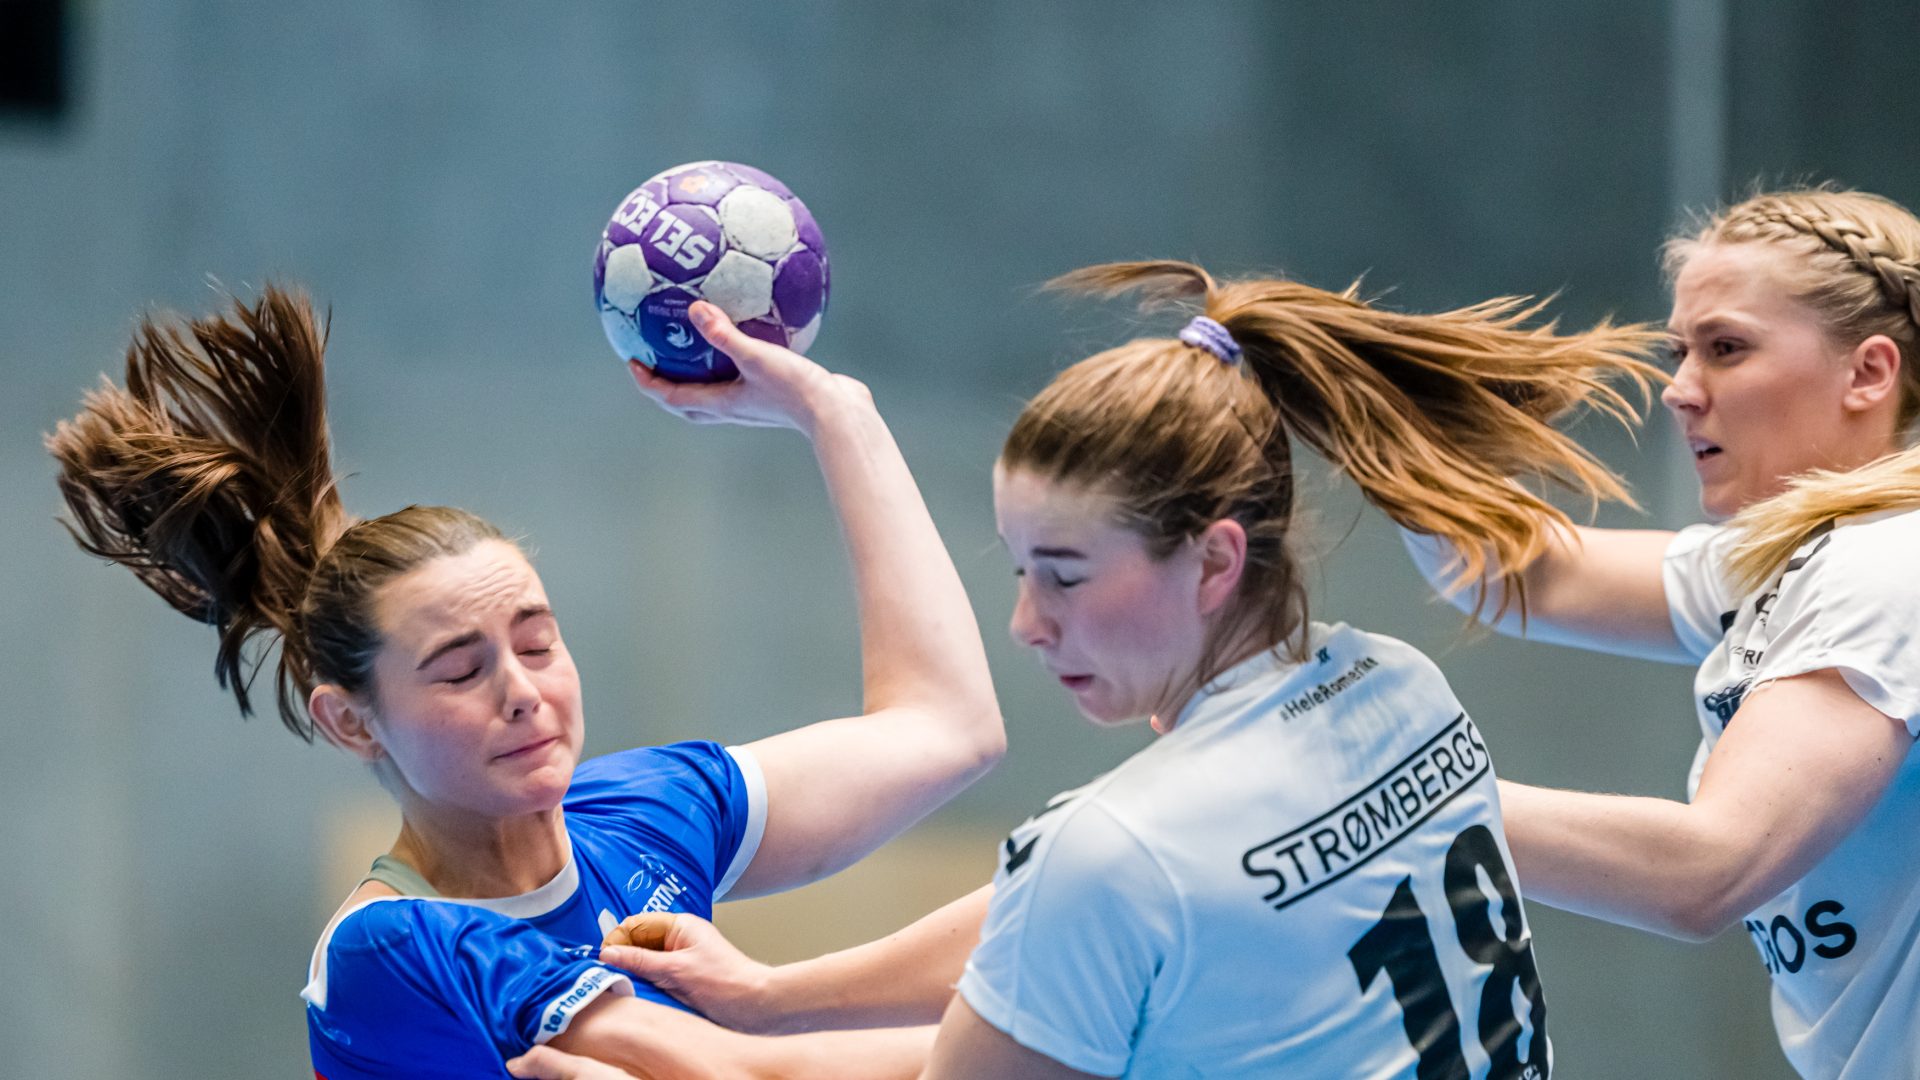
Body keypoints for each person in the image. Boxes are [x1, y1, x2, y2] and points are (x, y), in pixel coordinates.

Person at [530, 261, 1666, 1079]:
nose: (1028, 623)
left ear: (1214, 559)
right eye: (1022, 570)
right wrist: (775, 999)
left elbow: (1077, 911)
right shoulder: (1396, 686)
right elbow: (1048, 927)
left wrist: (702, 1064)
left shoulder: (1118, 854)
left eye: (1065, 577)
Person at [47, 289, 1006, 1078]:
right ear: (351, 723)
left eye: (538, 644)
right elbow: (736, 1072)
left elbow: (946, 728)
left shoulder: (643, 816)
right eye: (462, 670)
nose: (520, 691)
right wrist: (1048, 1046)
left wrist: (838, 416)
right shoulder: (393, 948)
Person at [1392, 186, 1920, 1079]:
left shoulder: (1883, 568)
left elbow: (1703, 872)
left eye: (1726, 348)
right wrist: (1365, 406)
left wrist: (1386, 801)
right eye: (1681, 352)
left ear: (1868, 373)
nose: (1679, 390)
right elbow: (1517, 572)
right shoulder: (1794, 558)